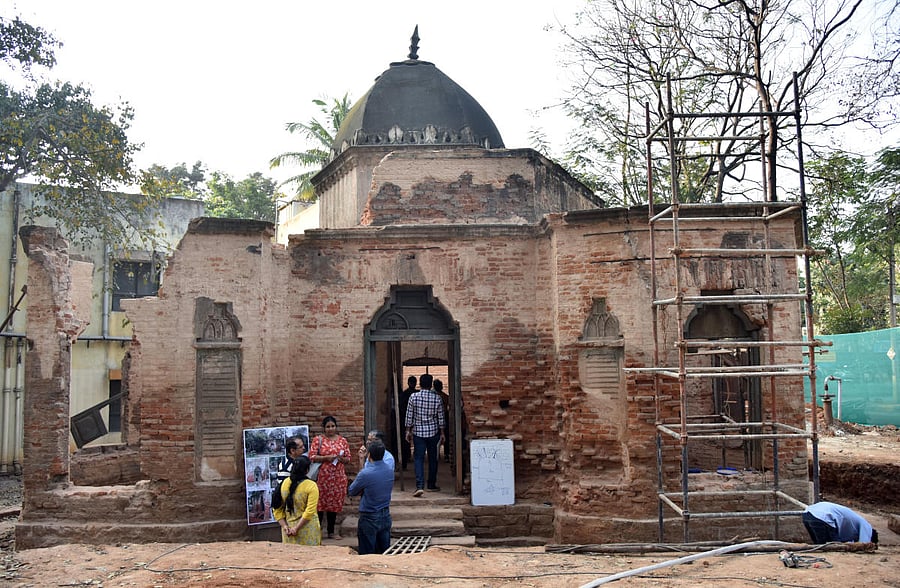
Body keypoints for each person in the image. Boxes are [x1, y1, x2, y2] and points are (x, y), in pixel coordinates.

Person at [348, 440, 394, 555]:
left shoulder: (366, 473)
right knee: (384, 551)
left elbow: (352, 491)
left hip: (369, 516)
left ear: (369, 454)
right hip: (385, 514)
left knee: (367, 552)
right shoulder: (389, 470)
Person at [309, 415, 351, 539]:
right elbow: (311, 456)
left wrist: (341, 459)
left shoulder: (342, 440)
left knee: (334, 505)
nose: (330, 429)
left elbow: (348, 458)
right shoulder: (318, 440)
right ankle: (318, 532)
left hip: (337, 477)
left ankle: (331, 532)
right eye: (328, 427)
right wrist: (326, 458)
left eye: (333, 426)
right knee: (320, 505)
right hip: (323, 477)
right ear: (323, 428)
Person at [405, 373, 445, 496]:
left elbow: (409, 415)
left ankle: (419, 486)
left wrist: (408, 430)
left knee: (418, 458)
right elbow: (441, 418)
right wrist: (442, 433)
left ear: (420, 384)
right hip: (433, 432)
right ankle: (431, 484)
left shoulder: (413, 397)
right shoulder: (437, 398)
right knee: (433, 458)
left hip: (418, 432)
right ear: (431, 384)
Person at [273, 455, 321, 545]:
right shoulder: (311, 485)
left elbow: (277, 508)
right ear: (307, 470)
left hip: (288, 530)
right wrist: (297, 528)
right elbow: (310, 511)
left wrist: (285, 526)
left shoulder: (284, 483)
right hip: (308, 530)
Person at [802, 501, 878, 544]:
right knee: (830, 546)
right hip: (823, 517)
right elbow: (864, 543)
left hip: (808, 514)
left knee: (819, 545)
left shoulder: (855, 526)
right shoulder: (867, 527)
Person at [398, 375, 417, 469]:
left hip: (405, 421)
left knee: (405, 441)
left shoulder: (404, 394)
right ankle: (408, 459)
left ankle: (405, 461)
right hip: (416, 421)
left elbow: (401, 408)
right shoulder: (416, 394)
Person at [433, 379, 451, 463]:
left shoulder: (443, 396)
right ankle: (443, 454)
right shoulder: (443, 396)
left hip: (437, 418)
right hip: (441, 418)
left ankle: (438, 455)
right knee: (443, 437)